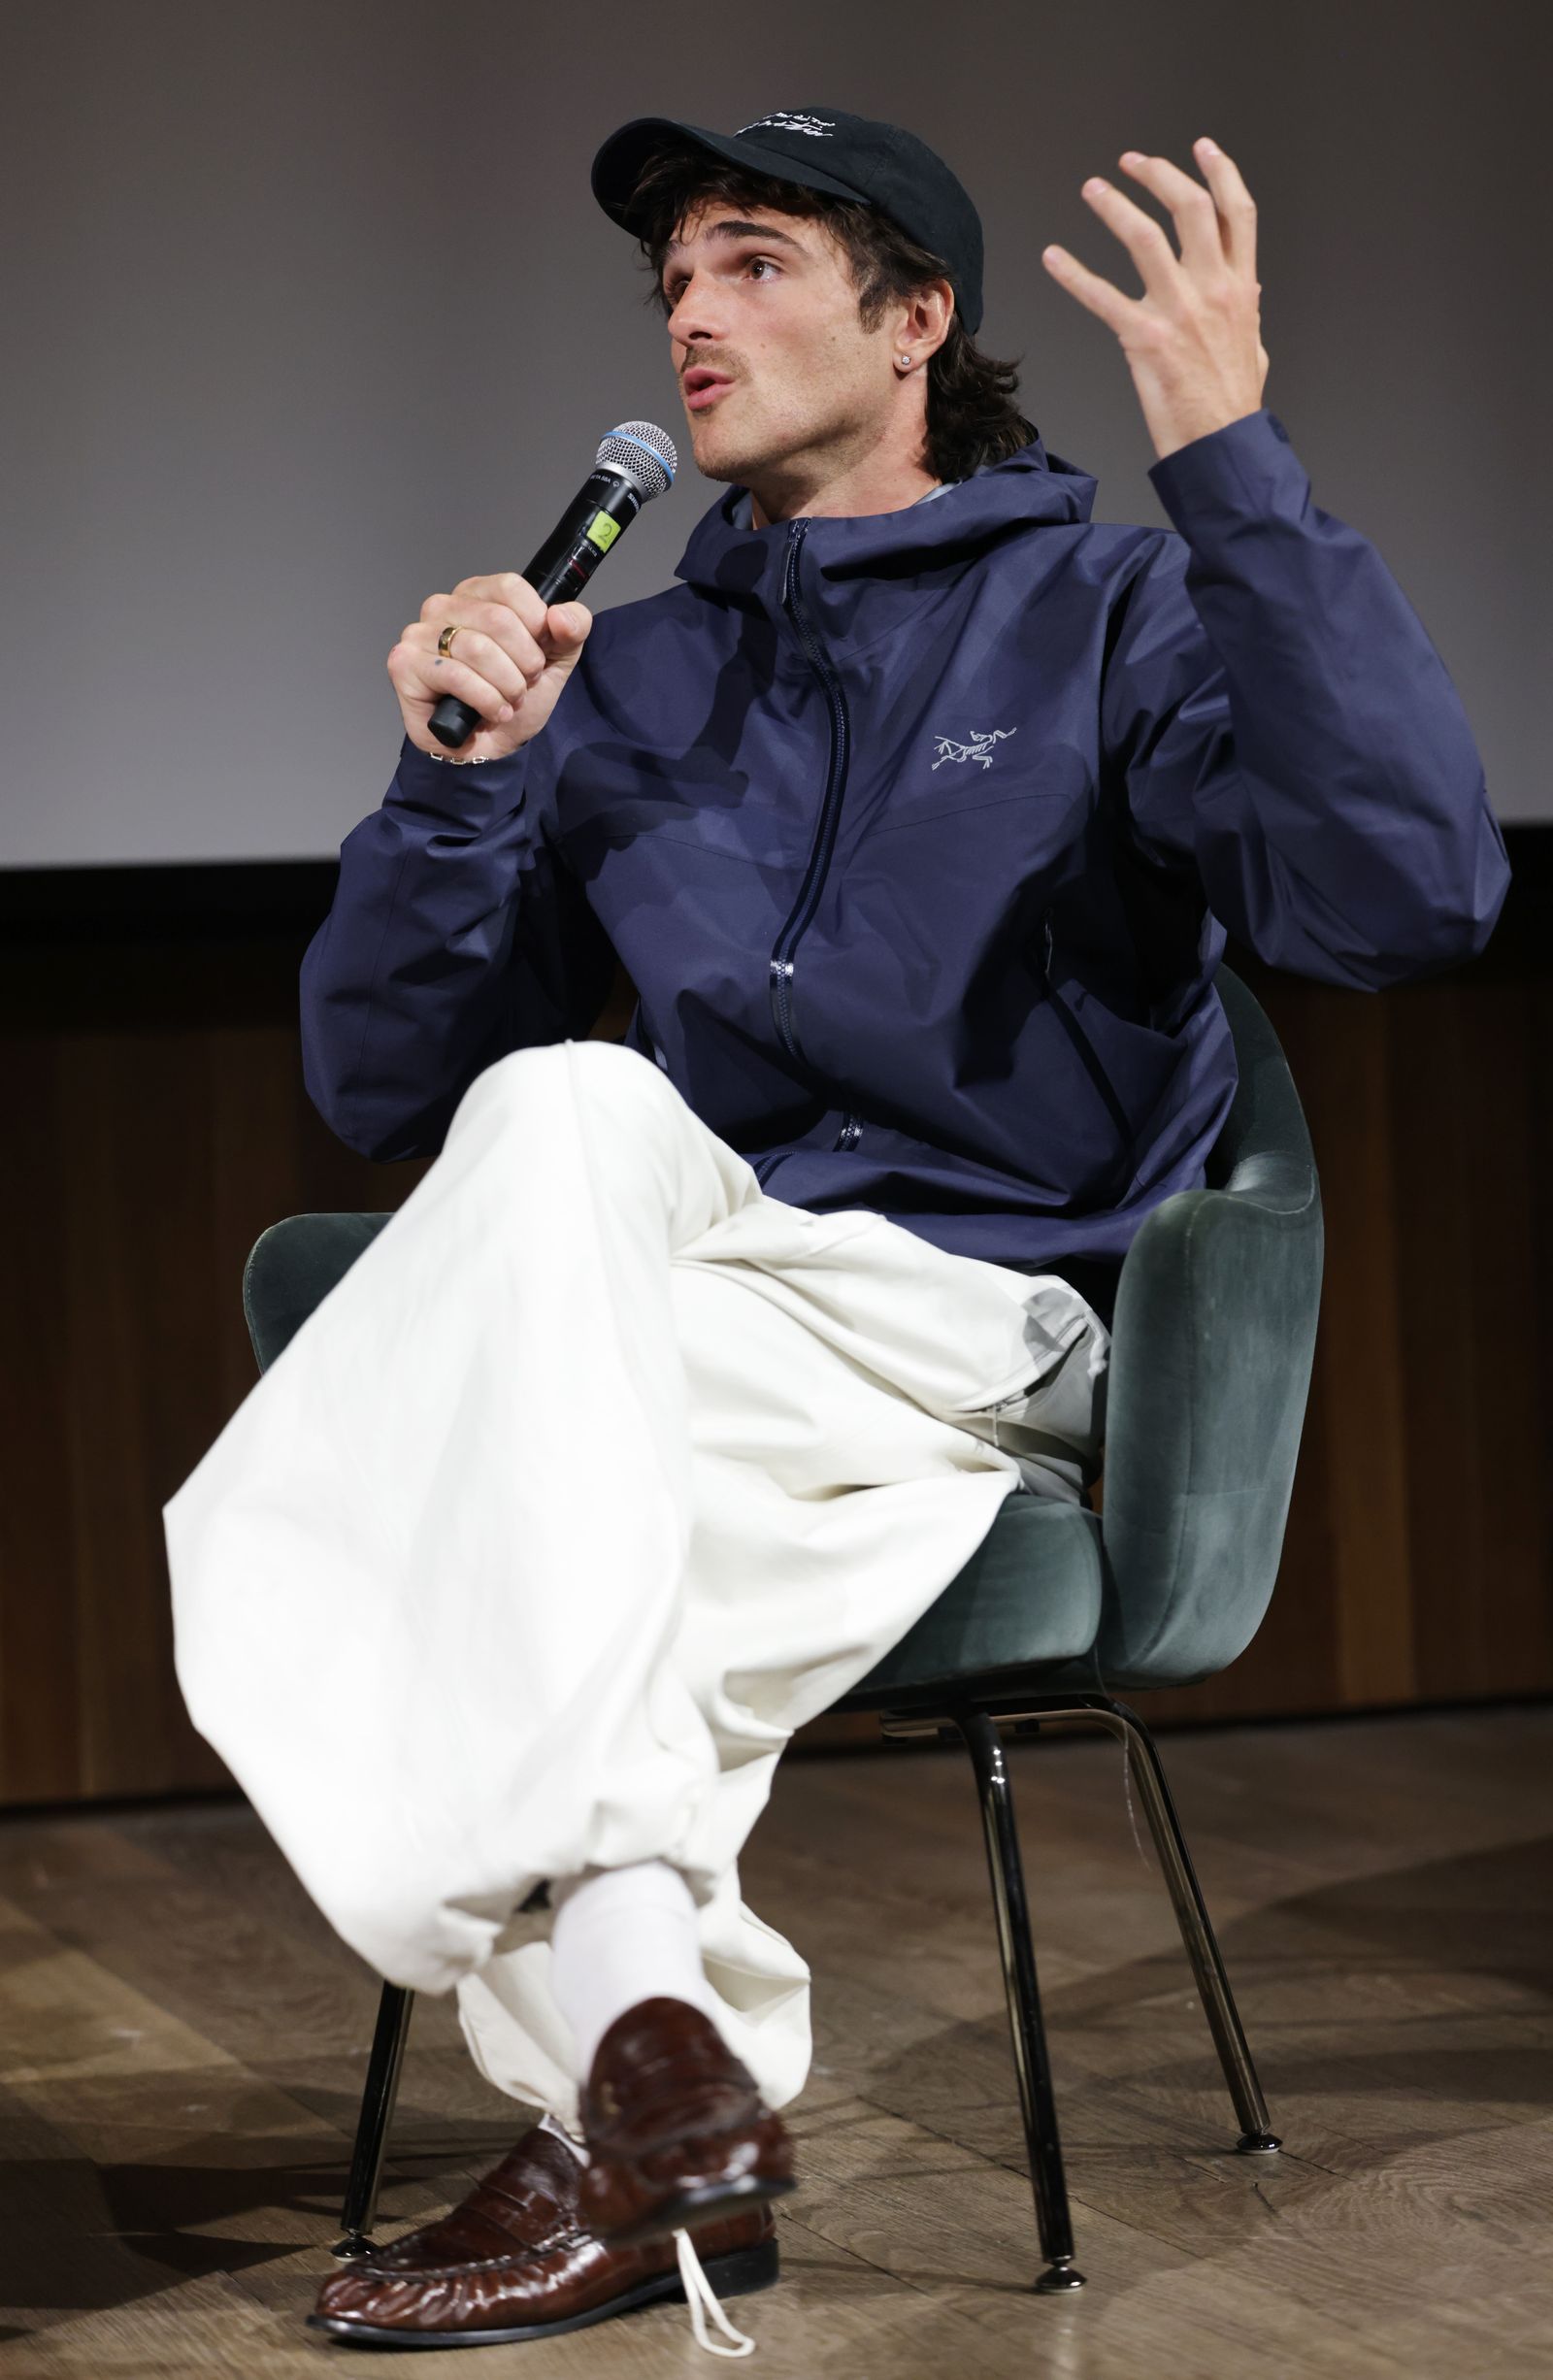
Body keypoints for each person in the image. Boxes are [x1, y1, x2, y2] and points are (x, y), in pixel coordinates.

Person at [162, 107, 1509, 2356]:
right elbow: (390, 1089)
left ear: (914, 323)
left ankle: (626, 2053)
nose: (692, 313)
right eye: (672, 278)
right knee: (564, 1105)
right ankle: (660, 2086)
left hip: (981, 1316)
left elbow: (1407, 895)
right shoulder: (640, 672)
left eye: (757, 262)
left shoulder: (1107, 610)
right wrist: (456, 785)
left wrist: (1235, 468)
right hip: (704, 1312)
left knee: (363, 1485)